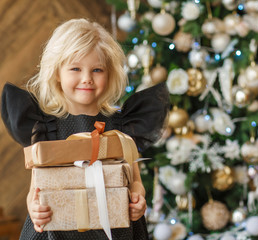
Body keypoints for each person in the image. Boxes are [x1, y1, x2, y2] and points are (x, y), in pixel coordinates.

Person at [1, 18, 169, 240]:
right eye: (75, 68)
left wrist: (138, 196)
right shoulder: (45, 128)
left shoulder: (122, 125)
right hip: (58, 229)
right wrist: (34, 207)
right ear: (57, 73)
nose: (87, 78)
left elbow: (133, 178)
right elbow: (36, 188)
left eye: (97, 69)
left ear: (109, 73)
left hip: (115, 228)